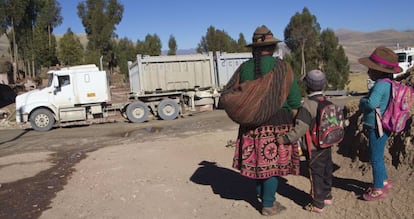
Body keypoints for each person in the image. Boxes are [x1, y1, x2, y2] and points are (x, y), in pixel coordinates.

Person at [230, 25, 302, 216]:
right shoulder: (283, 68)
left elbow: (231, 93)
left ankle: (263, 196)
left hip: (250, 125)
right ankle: (268, 204)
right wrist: (297, 125)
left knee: (258, 162)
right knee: (272, 166)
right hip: (277, 124)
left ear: (254, 48)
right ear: (272, 48)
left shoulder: (243, 68)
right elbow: (294, 101)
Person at [276, 69, 333, 213]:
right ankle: (327, 196)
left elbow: (301, 128)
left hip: (313, 146)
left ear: (307, 86)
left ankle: (317, 204)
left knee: (316, 174)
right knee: (326, 170)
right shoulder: (326, 101)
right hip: (327, 144)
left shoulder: (308, 105)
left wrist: (285, 139)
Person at [358, 46, 402, 201]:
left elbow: (371, 104)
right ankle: (383, 180)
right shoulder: (390, 83)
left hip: (376, 127)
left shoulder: (379, 85)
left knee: (375, 158)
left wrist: (362, 102)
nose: (368, 72)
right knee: (379, 156)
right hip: (386, 125)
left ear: (379, 71)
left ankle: (377, 188)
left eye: (371, 69)